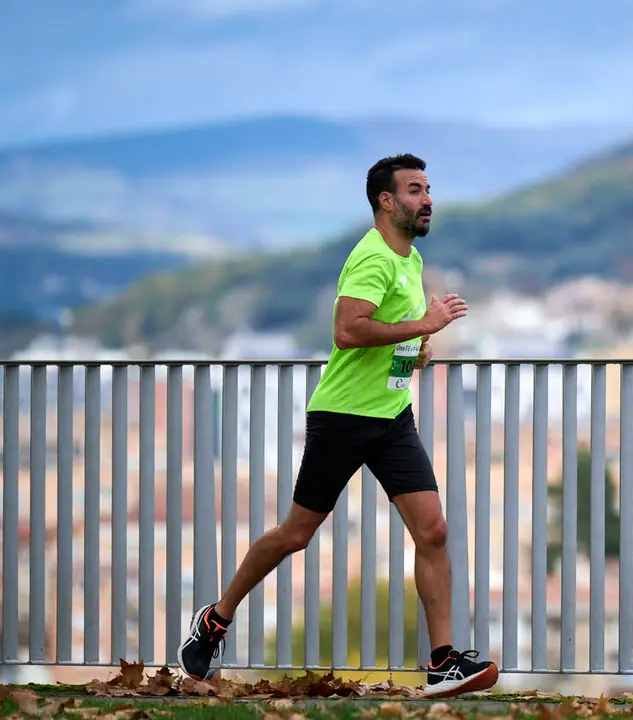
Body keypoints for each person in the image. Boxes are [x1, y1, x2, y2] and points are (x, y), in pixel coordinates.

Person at [177, 153, 498, 698]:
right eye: (416, 190)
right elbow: (348, 331)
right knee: (295, 535)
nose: (428, 199)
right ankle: (216, 619)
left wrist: (415, 347)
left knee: (434, 531)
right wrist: (427, 322)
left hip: (393, 416)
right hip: (344, 417)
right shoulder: (370, 258)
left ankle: (443, 662)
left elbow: (389, 330)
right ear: (386, 201)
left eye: (429, 189)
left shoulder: (411, 260)